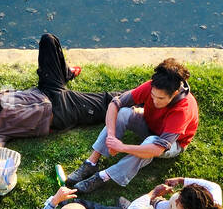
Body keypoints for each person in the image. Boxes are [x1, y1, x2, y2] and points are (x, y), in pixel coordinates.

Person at [0, 33, 118, 159]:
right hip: (60, 111)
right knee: (111, 101)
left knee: (48, 41)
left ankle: (64, 73)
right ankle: (140, 97)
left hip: (46, 89)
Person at [64, 58, 199, 194]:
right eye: (153, 96)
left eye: (161, 99)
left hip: (172, 144)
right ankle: (91, 163)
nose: (155, 101)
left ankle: (104, 176)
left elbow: (157, 150)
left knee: (151, 143)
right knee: (122, 113)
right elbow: (114, 104)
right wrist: (111, 138)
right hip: (150, 125)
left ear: (175, 93)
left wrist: (121, 147)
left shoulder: (183, 110)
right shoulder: (152, 86)